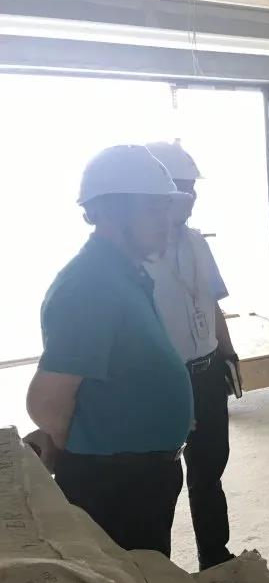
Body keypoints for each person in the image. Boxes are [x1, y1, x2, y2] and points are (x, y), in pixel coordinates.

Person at [25, 145, 195, 557]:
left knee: (147, 574)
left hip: (137, 474)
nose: (167, 221)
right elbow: (46, 402)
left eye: (166, 207)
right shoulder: (89, 285)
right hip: (113, 481)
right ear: (109, 211)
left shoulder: (124, 273)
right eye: (153, 209)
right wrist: (81, 453)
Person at [145, 140, 238, 571]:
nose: (189, 196)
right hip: (163, 382)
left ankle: (214, 556)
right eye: (179, 188)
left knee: (209, 469)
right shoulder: (138, 254)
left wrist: (228, 352)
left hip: (207, 371)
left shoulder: (198, 242)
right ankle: (157, 570)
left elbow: (211, 301)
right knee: (160, 481)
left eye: (192, 187)